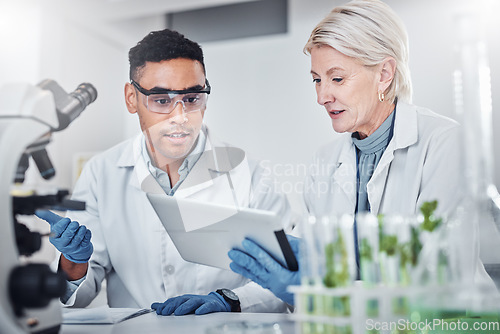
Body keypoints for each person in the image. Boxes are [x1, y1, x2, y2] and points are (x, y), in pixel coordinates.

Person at [229, 0, 497, 306]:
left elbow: (433, 274)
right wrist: (235, 299)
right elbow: (296, 268)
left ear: (384, 73)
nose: (322, 96)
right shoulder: (326, 161)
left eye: (337, 78)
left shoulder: (444, 143)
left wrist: (320, 290)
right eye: (316, 79)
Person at [36, 28, 291, 315]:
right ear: (132, 98)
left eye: (192, 98)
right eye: (161, 100)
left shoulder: (252, 175)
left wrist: (230, 299)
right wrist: (74, 261)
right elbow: (77, 293)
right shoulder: (101, 173)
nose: (179, 117)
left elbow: (285, 283)